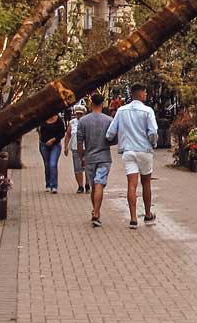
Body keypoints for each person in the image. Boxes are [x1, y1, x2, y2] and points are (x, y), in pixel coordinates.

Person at [105, 83, 159, 229]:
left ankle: (133, 218)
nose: (146, 95)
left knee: (131, 184)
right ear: (141, 94)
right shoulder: (148, 111)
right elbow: (153, 131)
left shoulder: (121, 111)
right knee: (146, 183)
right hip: (144, 151)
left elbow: (110, 133)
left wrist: (112, 140)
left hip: (128, 151)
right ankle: (147, 214)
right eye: (145, 93)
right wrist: (153, 143)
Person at [75, 93, 115, 227]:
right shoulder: (109, 121)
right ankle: (96, 212)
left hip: (90, 158)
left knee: (94, 186)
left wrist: (81, 157)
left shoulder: (83, 121)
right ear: (102, 104)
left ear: (91, 104)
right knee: (99, 184)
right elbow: (114, 138)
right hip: (104, 158)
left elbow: (79, 142)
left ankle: (95, 211)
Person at [37, 112, 65, 194]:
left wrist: (53, 140)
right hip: (44, 145)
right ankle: (48, 184)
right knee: (47, 165)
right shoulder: (43, 119)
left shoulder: (59, 120)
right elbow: (40, 131)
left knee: (52, 164)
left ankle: (54, 186)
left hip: (55, 145)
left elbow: (62, 133)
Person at [64, 102, 88, 193]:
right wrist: (66, 147)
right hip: (75, 148)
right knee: (77, 168)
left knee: (87, 167)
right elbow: (68, 135)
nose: (79, 115)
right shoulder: (72, 123)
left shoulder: (87, 122)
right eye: (77, 113)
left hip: (87, 148)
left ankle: (87, 184)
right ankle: (80, 186)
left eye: (80, 114)